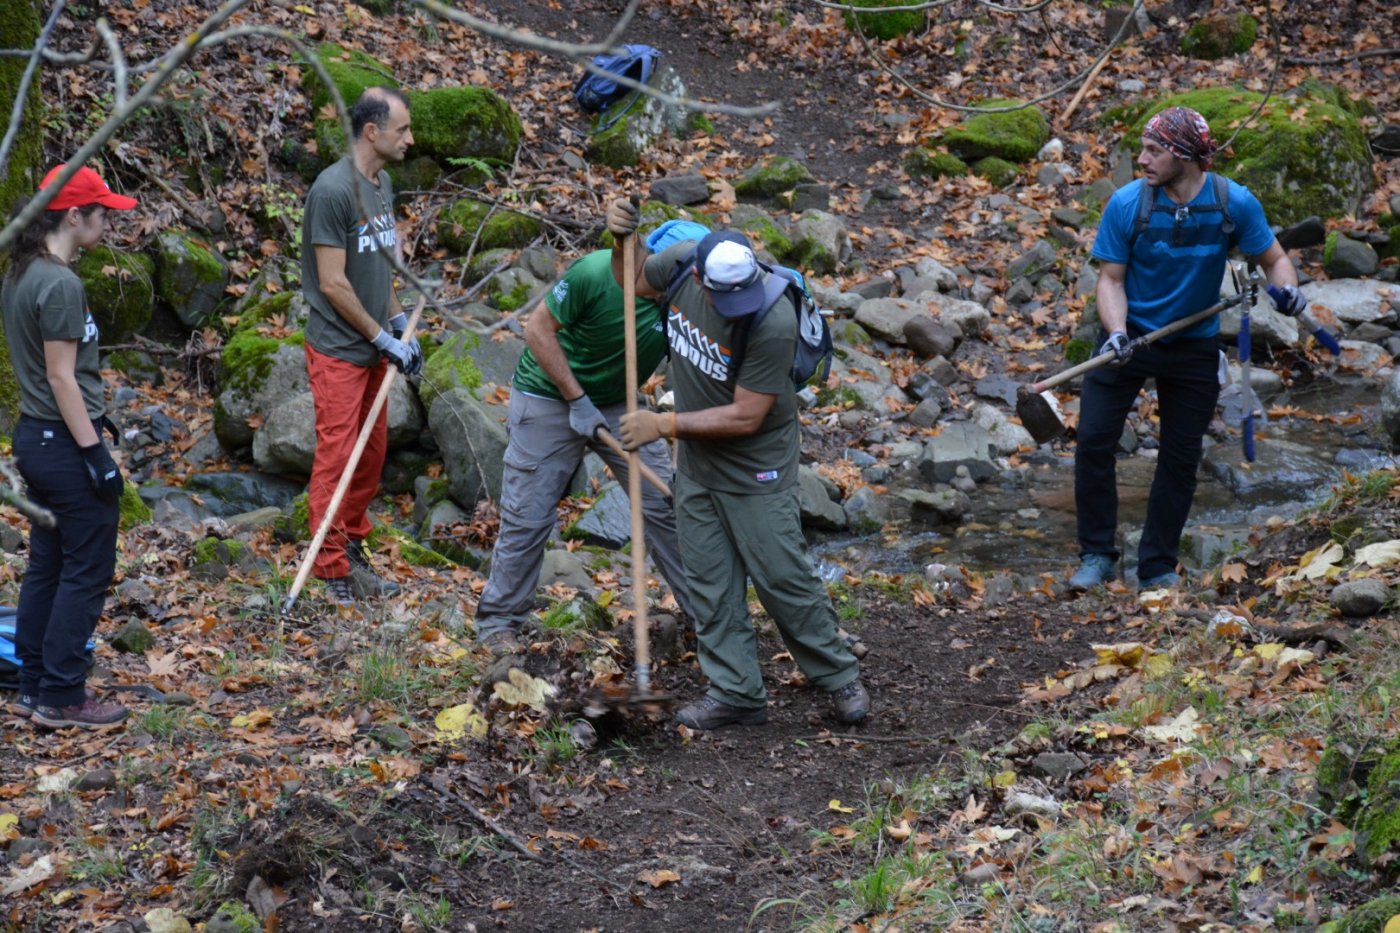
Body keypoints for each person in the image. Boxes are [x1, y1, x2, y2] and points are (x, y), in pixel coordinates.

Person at [609, 206, 869, 729]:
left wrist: (663, 425)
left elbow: (747, 416)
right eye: (724, 298)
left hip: (758, 468)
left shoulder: (772, 319)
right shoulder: (681, 264)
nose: (735, 307)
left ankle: (839, 675)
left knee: (782, 577)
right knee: (710, 581)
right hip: (701, 465)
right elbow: (632, 283)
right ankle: (736, 692)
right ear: (701, 278)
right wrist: (620, 242)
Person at [1069, 106, 1308, 592]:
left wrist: (1288, 290)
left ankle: (1156, 566)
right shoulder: (1127, 204)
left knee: (1179, 459)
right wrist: (1116, 332)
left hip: (1194, 345)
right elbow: (1110, 280)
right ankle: (1096, 555)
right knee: (1093, 440)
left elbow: (1275, 259)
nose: (1142, 159)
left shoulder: (1232, 204)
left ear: (1185, 156)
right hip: (1129, 337)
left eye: (1154, 151)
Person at [472, 226, 707, 655]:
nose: (698, 281)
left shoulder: (688, 300)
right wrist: (577, 400)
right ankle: (499, 622)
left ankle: (706, 616)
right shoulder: (596, 275)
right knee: (529, 514)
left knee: (665, 503)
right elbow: (538, 331)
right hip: (549, 394)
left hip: (619, 400)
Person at [2, 164, 137, 729]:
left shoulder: (23, 272)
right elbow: (61, 378)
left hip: (37, 438)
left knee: (49, 565)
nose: (108, 221)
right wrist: (96, 456)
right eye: (102, 211)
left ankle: (35, 683)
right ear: (74, 215)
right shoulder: (59, 283)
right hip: (60, 442)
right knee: (87, 566)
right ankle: (61, 693)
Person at [301, 86, 422, 606]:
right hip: (338, 351)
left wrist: (396, 322)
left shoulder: (383, 183)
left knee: (370, 457)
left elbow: (379, 264)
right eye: (403, 131)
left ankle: (349, 546)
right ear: (372, 133)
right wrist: (379, 338)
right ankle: (328, 570)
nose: (411, 140)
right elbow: (332, 282)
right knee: (338, 456)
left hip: (375, 348)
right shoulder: (332, 191)